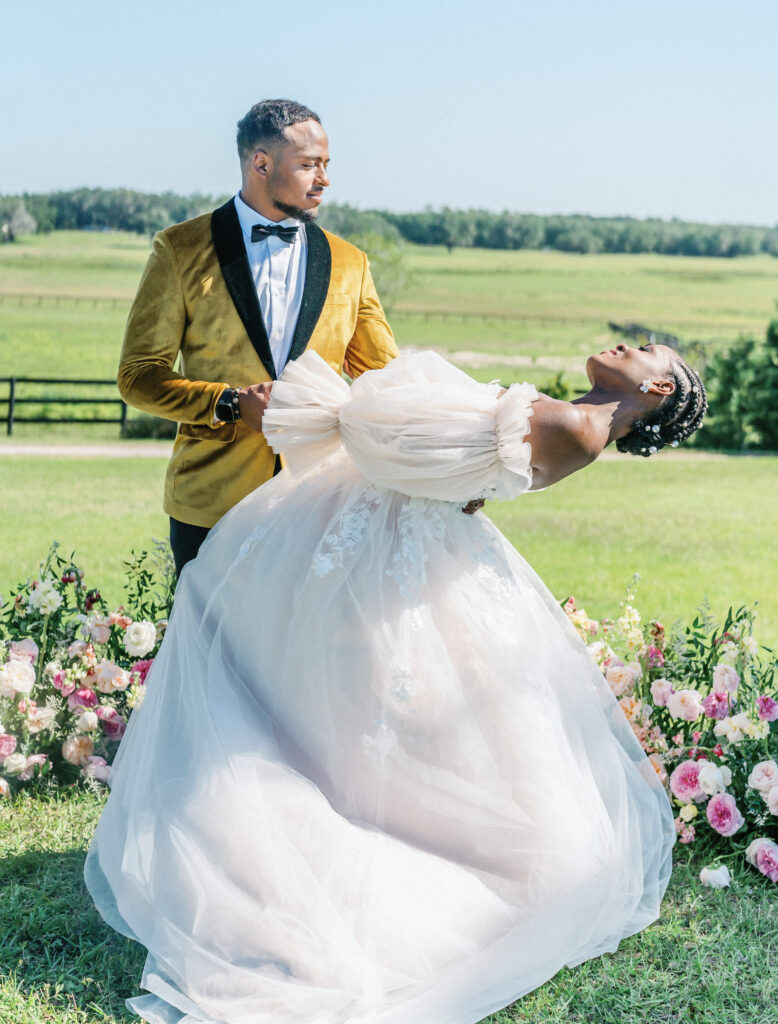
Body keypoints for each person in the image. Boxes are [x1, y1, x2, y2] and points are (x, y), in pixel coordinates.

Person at [85, 340, 707, 1024]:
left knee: (292, 678)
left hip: (383, 543)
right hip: (389, 527)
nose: (626, 344)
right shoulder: (573, 419)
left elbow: (416, 450)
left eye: (646, 350)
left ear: (656, 390)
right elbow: (458, 461)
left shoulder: (577, 426)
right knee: (287, 677)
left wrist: (325, 412)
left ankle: (317, 862)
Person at [116, 98, 400, 576]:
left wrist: (450, 459)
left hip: (319, 506)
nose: (324, 179)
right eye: (309, 165)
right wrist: (228, 403)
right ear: (261, 164)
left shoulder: (351, 263)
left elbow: (389, 379)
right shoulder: (179, 249)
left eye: (326, 164)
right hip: (211, 505)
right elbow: (138, 376)